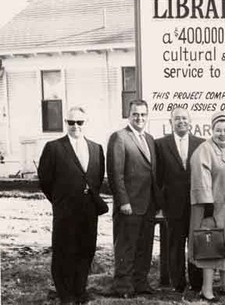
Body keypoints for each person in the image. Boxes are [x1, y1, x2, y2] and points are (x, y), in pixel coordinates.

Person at [38, 106, 105, 304]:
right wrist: (60, 200)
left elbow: (97, 178)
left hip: (88, 210)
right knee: (64, 250)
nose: (75, 126)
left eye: (79, 122)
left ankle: (80, 290)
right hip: (65, 210)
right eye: (71, 122)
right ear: (65, 123)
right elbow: (45, 180)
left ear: (86, 123)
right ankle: (65, 294)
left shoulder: (96, 148)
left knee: (86, 249)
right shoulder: (54, 147)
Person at [188, 112, 225, 301]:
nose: (223, 134)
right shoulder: (204, 150)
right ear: (211, 130)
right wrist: (207, 210)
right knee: (210, 248)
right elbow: (200, 182)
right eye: (218, 130)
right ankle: (207, 289)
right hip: (212, 208)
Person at [107, 99, 161, 298]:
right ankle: (122, 286)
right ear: (128, 115)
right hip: (129, 205)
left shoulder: (149, 139)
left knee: (144, 247)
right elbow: (115, 173)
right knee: (126, 247)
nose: (140, 118)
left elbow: (152, 174)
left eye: (143, 114)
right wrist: (123, 202)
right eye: (135, 114)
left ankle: (140, 283)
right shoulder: (119, 138)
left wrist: (156, 203)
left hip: (147, 205)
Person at [155, 108, 204, 293]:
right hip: (172, 205)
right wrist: (161, 203)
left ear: (190, 121)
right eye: (177, 118)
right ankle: (178, 283)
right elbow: (157, 177)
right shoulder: (160, 144)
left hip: (196, 204)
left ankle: (196, 282)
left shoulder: (201, 143)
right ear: (171, 122)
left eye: (184, 118)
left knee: (195, 243)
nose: (181, 121)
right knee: (175, 244)